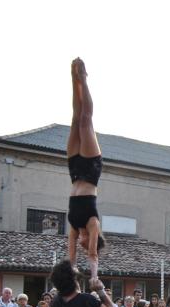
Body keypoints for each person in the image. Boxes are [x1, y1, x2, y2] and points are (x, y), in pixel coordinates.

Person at [65, 58, 105, 281]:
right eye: (86, 243)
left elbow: (70, 255)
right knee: (85, 122)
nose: (81, 245)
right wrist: (94, 277)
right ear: (93, 238)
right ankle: (84, 79)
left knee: (74, 120)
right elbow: (92, 255)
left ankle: (73, 78)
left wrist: (71, 270)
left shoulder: (73, 225)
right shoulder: (92, 222)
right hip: (90, 170)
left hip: (75, 173)